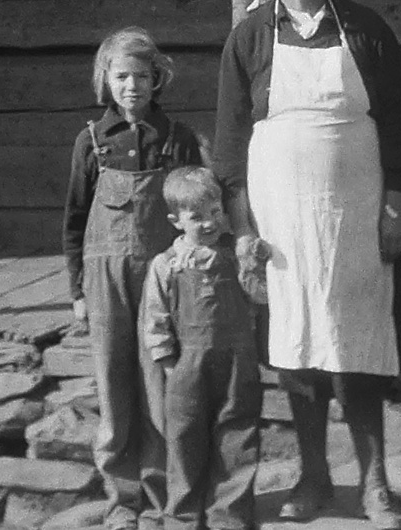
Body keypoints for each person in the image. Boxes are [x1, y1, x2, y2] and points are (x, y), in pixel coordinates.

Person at [212, 0, 401, 526]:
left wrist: (395, 205)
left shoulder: (365, 28)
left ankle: (377, 484)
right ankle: (313, 477)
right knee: (297, 345)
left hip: (356, 212)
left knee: (360, 344)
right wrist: (245, 230)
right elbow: (229, 142)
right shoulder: (249, 37)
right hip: (281, 220)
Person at [70, 26, 209, 526]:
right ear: (105, 79)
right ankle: (122, 498)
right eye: (121, 75)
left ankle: (161, 494)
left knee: (159, 382)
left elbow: (196, 212)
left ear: (158, 80)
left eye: (142, 76)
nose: (132, 85)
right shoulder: (90, 142)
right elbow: (73, 221)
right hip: (104, 279)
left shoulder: (177, 139)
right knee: (113, 380)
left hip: (163, 279)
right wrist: (76, 293)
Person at [140, 165, 267, 530]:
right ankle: (182, 515)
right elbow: (156, 318)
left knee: (237, 435)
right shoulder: (166, 266)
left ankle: (229, 515)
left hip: (237, 361)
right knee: (184, 439)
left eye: (215, 213)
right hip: (187, 367)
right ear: (176, 221)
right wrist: (167, 365)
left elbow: (259, 296)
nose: (209, 223)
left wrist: (255, 261)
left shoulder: (234, 256)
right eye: (197, 217)